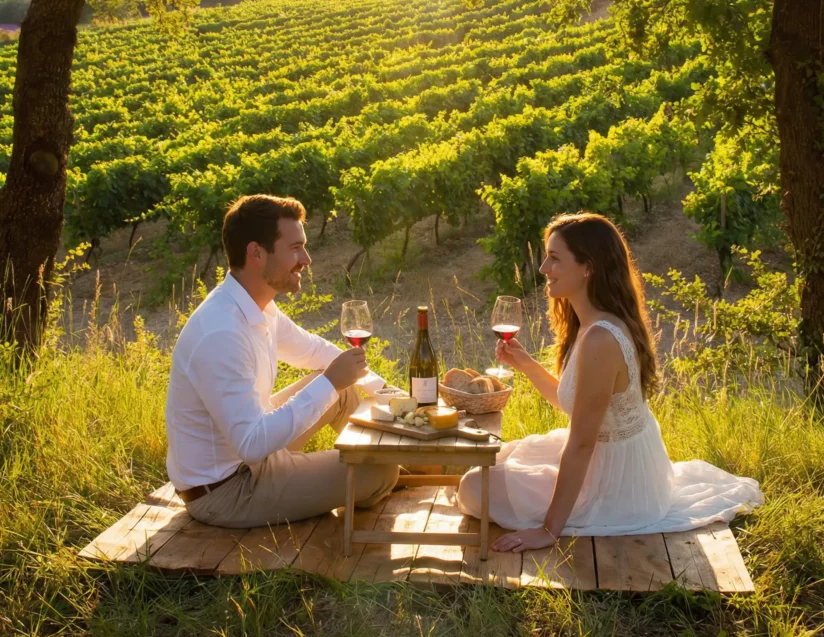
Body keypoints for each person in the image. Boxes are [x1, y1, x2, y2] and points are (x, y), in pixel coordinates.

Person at [457, 212, 763, 552]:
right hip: (614, 458)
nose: (543, 268)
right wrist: (526, 363)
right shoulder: (593, 323)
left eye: (554, 258)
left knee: (473, 487)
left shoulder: (600, 339)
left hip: (617, 484)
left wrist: (549, 530)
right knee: (493, 463)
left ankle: (563, 512)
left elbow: (583, 443)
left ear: (587, 267)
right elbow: (572, 402)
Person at [165, 194, 398, 527]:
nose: (306, 258)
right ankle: (376, 476)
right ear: (256, 253)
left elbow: (315, 351)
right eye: (294, 248)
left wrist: (389, 392)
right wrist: (330, 382)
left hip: (248, 457)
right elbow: (251, 445)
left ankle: (388, 465)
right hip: (229, 489)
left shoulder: (254, 306)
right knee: (381, 469)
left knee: (342, 393)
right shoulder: (221, 332)